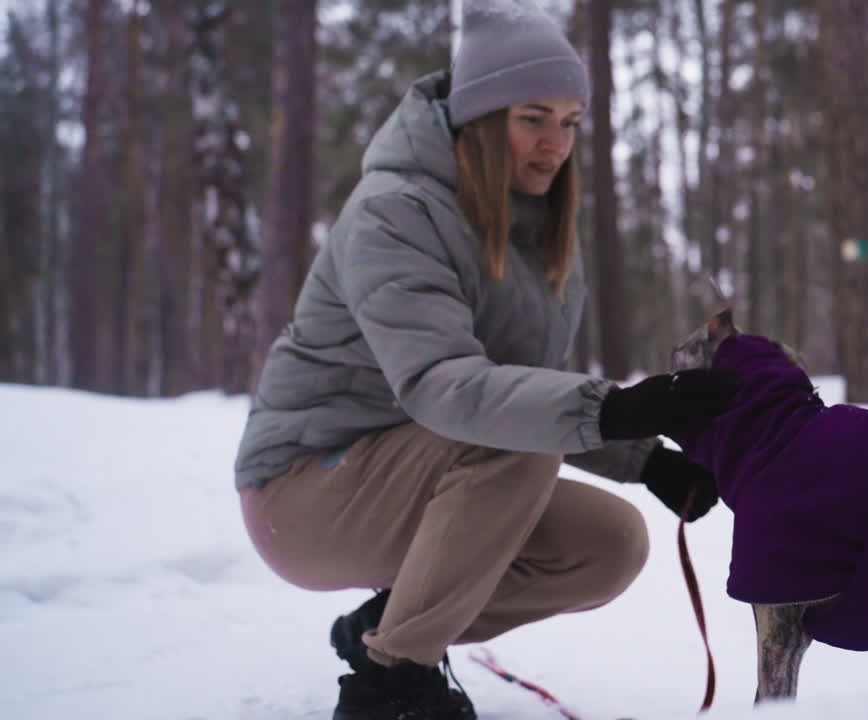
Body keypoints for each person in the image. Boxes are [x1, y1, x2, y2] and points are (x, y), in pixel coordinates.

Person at [234, 6, 737, 720]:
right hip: (304, 488)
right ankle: (391, 688)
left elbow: (520, 388)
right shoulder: (396, 211)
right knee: (512, 444)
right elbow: (449, 389)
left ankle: (386, 630)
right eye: (534, 118)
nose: (554, 144)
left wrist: (646, 460)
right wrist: (618, 409)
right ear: (478, 115)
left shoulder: (537, 229)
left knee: (608, 545)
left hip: (417, 475)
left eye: (570, 122)